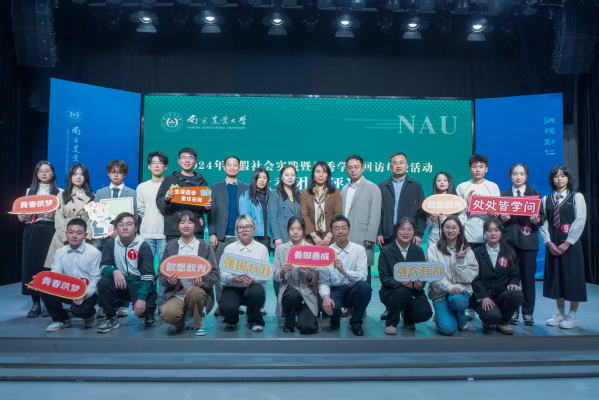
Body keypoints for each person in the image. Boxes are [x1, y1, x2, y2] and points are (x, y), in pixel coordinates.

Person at [376, 152, 426, 321]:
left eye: (401, 163)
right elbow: (379, 212)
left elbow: (421, 212)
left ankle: (407, 305)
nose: (398, 165)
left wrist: (418, 233)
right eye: (394, 163)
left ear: (407, 165)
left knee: (409, 272)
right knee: (389, 272)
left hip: (408, 234)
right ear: (390, 166)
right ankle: (390, 307)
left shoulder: (416, 185)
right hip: (388, 234)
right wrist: (379, 232)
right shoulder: (383, 185)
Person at [495, 163, 545, 326]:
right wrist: (501, 219)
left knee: (528, 279)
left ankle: (528, 313)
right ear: (510, 176)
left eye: (522, 174)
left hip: (528, 243)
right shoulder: (504, 195)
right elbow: (496, 221)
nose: (518, 177)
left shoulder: (535, 194)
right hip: (508, 243)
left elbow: (542, 218)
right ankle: (512, 310)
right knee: (509, 278)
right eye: (515, 174)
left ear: (527, 176)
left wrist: (537, 220)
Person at [540, 165, 587, 329]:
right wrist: (548, 242)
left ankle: (572, 316)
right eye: (556, 176)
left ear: (568, 178)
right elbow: (543, 222)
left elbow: (580, 220)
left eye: (563, 175)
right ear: (551, 179)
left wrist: (568, 242)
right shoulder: (546, 199)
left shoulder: (576, 197)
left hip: (571, 245)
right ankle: (560, 313)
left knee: (573, 279)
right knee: (556, 278)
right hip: (553, 244)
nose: (559, 178)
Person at [159, 211, 219, 336]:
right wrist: (168, 281)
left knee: (195, 292)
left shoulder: (204, 246)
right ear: (177, 226)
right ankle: (180, 322)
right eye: (182, 222)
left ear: (195, 226)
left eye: (190, 222)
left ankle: (198, 323)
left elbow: (214, 273)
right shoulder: (171, 246)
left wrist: (203, 282)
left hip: (196, 291)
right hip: (177, 293)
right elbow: (162, 271)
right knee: (167, 314)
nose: (186, 225)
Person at [96, 213, 158, 333]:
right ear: (116, 228)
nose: (124, 228)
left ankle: (150, 314)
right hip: (120, 283)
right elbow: (103, 267)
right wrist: (114, 271)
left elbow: (148, 276)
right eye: (120, 225)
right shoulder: (110, 244)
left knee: (146, 308)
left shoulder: (143, 246)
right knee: (103, 282)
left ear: (136, 228)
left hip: (138, 284)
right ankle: (111, 318)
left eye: (129, 224)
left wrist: (142, 298)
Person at [456, 154, 500, 321]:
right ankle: (469, 306)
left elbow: (497, 212)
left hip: (487, 238)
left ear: (486, 169)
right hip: (468, 236)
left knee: (484, 272)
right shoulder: (462, 187)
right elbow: (458, 213)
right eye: (475, 167)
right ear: (470, 169)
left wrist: (493, 215)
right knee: (469, 272)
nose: (478, 170)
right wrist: (468, 206)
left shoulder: (492, 187)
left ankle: (486, 303)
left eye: (481, 167)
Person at [40, 218, 102, 332]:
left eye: (79, 233)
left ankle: (90, 315)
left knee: (79, 311)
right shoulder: (60, 252)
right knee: (45, 287)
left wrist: (85, 295)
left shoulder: (94, 253)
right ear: (66, 234)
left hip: (88, 293)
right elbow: (55, 276)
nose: (74, 236)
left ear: (85, 235)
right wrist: (39, 282)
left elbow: (96, 279)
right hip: (67, 290)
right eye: (71, 232)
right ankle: (61, 319)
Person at [19, 161, 63, 318]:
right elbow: (23, 214)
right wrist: (21, 217)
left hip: (51, 230)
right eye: (40, 171)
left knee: (49, 266)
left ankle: (48, 302)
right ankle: (35, 303)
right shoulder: (29, 192)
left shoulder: (60, 192)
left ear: (53, 173)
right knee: (32, 266)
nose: (44, 173)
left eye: (47, 170)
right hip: (32, 230)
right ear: (36, 174)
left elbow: (63, 216)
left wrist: (54, 216)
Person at [94, 160, 137, 318]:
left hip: (124, 240)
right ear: (108, 174)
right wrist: (103, 230)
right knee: (104, 273)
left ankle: (122, 304)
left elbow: (134, 217)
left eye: (119, 172)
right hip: (105, 240)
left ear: (125, 174)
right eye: (113, 172)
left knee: (123, 270)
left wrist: (120, 232)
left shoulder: (132, 193)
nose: (116, 175)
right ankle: (103, 304)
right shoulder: (100, 193)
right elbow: (96, 217)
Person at [208, 156, 249, 316]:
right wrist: (212, 233)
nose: (232, 167)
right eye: (229, 165)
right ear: (224, 167)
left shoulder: (246, 188)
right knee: (220, 272)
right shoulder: (215, 187)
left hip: (241, 237)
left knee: (240, 271)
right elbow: (211, 213)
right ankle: (221, 304)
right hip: (221, 237)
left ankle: (237, 303)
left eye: (235, 165)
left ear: (239, 168)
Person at [378, 217, 433, 335]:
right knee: (402, 291)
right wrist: (400, 283)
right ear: (396, 230)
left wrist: (419, 285)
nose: (406, 232)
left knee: (425, 312)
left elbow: (422, 275)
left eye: (410, 229)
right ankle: (391, 323)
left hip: (413, 291)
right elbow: (384, 277)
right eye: (402, 229)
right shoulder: (386, 251)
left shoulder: (418, 250)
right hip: (392, 291)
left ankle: (408, 318)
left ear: (414, 232)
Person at [319, 215, 371, 336]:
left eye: (343, 228)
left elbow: (363, 276)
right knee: (328, 309)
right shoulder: (326, 253)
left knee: (365, 287)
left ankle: (356, 322)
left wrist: (344, 271)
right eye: (336, 229)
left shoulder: (359, 250)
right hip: (335, 290)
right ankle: (335, 319)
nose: (340, 231)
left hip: (352, 290)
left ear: (349, 230)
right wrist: (325, 297)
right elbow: (323, 281)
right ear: (331, 232)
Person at [44, 164, 95, 286]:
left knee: (85, 272)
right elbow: (59, 218)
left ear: (86, 177)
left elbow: (93, 219)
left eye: (81, 174)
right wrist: (65, 236)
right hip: (64, 236)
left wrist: (86, 236)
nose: (78, 177)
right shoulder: (61, 195)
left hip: (84, 237)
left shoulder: (92, 197)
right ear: (70, 177)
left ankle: (85, 296)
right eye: (75, 174)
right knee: (60, 274)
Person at [471, 218, 524, 335]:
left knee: (517, 294)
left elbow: (515, 275)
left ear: (501, 232)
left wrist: (513, 283)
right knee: (492, 317)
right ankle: (487, 319)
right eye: (489, 230)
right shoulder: (475, 253)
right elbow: (473, 278)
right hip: (483, 297)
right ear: (484, 233)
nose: (493, 233)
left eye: (496, 230)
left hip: (501, 295)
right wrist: (483, 296)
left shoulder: (509, 252)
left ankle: (503, 322)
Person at [427, 216, 479, 336]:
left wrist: (461, 261)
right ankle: (442, 314)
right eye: (447, 227)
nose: (451, 231)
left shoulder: (467, 251)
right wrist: (449, 287)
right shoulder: (433, 249)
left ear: (460, 230)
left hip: (460, 294)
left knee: (457, 300)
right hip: (440, 294)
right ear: (442, 229)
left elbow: (468, 278)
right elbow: (433, 277)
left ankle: (461, 317)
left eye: (454, 228)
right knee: (447, 330)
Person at [219, 215, 269, 332]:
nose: (244, 230)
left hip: (253, 287)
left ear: (253, 229)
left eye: (247, 226)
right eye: (240, 227)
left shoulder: (262, 249)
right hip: (233, 286)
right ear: (236, 230)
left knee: (256, 292)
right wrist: (233, 279)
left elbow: (265, 275)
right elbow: (223, 273)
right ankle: (232, 319)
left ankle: (255, 320)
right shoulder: (229, 248)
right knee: (227, 308)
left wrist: (254, 280)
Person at [273, 216, 319, 334]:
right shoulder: (280, 249)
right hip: (289, 293)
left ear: (304, 230)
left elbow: (316, 277)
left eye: (298, 229)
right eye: (292, 228)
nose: (295, 232)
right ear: (288, 230)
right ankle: (289, 322)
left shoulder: (312, 249)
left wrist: (308, 273)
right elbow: (275, 276)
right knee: (292, 295)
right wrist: (283, 271)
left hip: (307, 295)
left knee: (308, 328)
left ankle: (302, 319)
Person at [156, 147, 212, 243]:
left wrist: (207, 208)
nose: (187, 160)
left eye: (190, 158)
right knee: (173, 253)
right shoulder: (170, 179)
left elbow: (205, 206)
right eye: (183, 158)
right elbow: (159, 203)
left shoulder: (201, 181)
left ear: (195, 162)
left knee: (196, 253)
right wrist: (166, 199)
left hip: (196, 229)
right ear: (179, 161)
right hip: (174, 229)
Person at [341, 154, 382, 283]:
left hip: (363, 238)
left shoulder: (373, 188)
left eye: (356, 167)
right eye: (349, 168)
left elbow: (375, 214)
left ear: (363, 168)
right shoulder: (344, 189)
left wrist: (370, 236)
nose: (352, 170)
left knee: (363, 274)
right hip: (345, 237)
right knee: (345, 273)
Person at [137, 151, 168, 310]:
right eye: (153, 163)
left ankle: (162, 302)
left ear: (165, 166)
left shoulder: (170, 186)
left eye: (160, 162)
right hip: (146, 234)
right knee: (146, 271)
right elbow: (141, 211)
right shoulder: (142, 187)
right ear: (149, 166)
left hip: (165, 234)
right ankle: (149, 303)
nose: (157, 166)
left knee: (165, 270)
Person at [269, 164, 302, 298]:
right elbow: (273, 216)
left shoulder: (299, 194)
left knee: (295, 270)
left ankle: (293, 300)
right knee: (281, 271)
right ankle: (280, 301)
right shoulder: (274, 193)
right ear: (281, 177)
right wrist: (277, 237)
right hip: (282, 237)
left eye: (293, 175)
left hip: (296, 237)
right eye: (287, 175)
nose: (290, 177)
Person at [300, 161, 343, 246]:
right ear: (313, 174)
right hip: (311, 238)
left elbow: (338, 213)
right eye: (318, 172)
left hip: (331, 238)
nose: (321, 175)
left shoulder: (335, 192)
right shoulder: (306, 192)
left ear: (328, 175)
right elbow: (304, 214)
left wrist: (330, 234)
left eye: (324, 172)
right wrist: (313, 235)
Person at [239, 167, 271, 252]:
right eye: (259, 177)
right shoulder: (246, 196)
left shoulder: (270, 196)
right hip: (253, 237)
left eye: (265, 178)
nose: (262, 180)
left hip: (267, 238)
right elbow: (244, 219)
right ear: (254, 179)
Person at [426, 171, 457, 258]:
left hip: (451, 236)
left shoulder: (456, 201)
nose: (442, 182)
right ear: (435, 183)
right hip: (433, 237)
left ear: (449, 182)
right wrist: (431, 220)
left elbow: (462, 220)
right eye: (439, 180)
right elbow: (424, 222)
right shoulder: (430, 201)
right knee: (432, 261)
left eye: (445, 180)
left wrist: (445, 219)